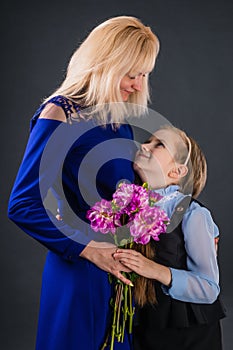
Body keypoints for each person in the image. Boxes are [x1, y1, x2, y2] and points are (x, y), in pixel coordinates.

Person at [8, 16, 160, 350]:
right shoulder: (59, 113)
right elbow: (23, 205)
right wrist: (89, 250)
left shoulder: (119, 121)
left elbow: (132, 195)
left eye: (144, 75)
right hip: (80, 269)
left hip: (119, 273)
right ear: (105, 63)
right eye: (131, 73)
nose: (138, 85)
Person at [113, 125, 226, 350]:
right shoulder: (130, 207)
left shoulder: (193, 214)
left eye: (159, 144)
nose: (144, 146)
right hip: (147, 324)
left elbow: (209, 288)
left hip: (188, 333)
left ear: (177, 171)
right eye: (148, 140)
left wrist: (152, 269)